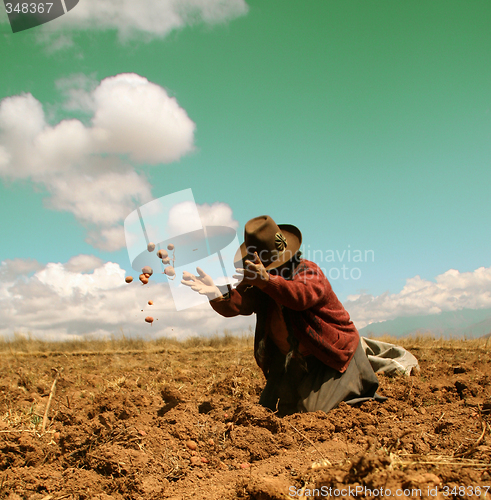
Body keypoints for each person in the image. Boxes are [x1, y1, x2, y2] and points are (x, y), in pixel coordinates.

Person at [182, 215, 385, 417]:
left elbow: (299, 296)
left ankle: (357, 384)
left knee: (311, 414)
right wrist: (217, 293)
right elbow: (241, 302)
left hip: (331, 357)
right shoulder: (260, 283)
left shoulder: (308, 271)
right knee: (269, 411)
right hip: (293, 361)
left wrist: (266, 281)